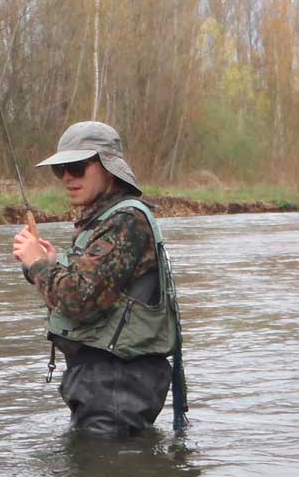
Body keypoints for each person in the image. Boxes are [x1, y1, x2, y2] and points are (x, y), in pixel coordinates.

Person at [12, 121, 187, 437]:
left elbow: (80, 301)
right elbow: (96, 284)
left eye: (77, 166)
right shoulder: (109, 221)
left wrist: (38, 264)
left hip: (117, 387)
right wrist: (52, 262)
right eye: (61, 169)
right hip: (106, 386)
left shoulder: (124, 221)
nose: (67, 177)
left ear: (108, 168)